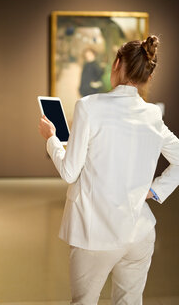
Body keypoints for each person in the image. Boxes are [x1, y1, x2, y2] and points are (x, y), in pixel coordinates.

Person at [38, 35, 179, 305]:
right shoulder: (152, 114)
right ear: (147, 75)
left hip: (95, 235)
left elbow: (70, 172)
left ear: (117, 64)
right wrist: (156, 191)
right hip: (139, 232)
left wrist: (52, 140)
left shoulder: (89, 107)